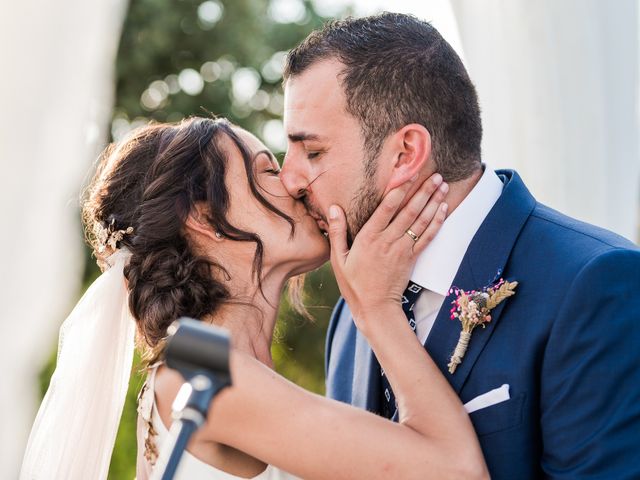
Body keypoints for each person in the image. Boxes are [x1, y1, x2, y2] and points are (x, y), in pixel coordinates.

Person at [20, 117, 488, 480]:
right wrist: (378, 308)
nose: (293, 183)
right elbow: (457, 472)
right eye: (266, 171)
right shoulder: (202, 374)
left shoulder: (210, 369)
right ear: (203, 217)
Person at [279, 12, 640, 479]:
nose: (289, 179)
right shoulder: (352, 317)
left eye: (312, 152)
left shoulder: (596, 284)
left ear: (406, 152)